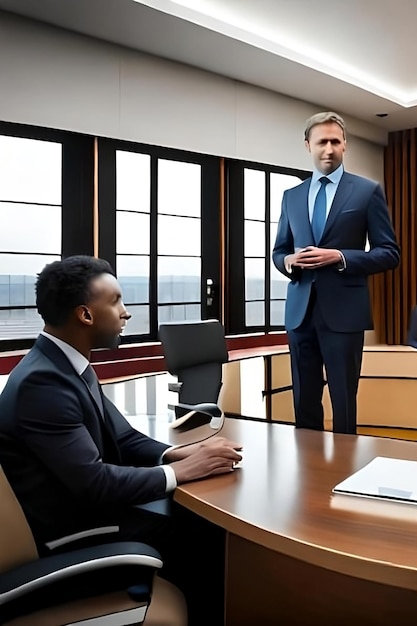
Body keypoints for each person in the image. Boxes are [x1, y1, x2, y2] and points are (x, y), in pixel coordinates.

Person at [0, 255, 243, 625]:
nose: (126, 313)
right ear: (85, 315)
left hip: (87, 516)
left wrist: (178, 452)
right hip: (70, 536)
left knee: (192, 519)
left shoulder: (66, 364)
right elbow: (95, 484)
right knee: (205, 533)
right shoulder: (43, 383)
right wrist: (185, 470)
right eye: (115, 301)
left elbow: (123, 438)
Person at [272, 111, 400, 435]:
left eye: (335, 141)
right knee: (304, 402)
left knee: (343, 404)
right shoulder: (292, 196)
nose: (328, 149)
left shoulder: (367, 191)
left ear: (345, 145)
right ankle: (308, 476)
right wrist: (288, 263)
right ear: (307, 146)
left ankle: (344, 476)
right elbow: (278, 251)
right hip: (300, 315)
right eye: (321, 142)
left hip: (344, 316)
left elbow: (390, 253)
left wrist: (340, 256)